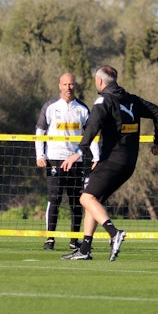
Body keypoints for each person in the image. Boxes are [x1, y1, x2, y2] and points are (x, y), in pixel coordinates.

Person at [58, 65, 158, 261]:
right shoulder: (132, 100)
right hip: (129, 163)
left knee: (85, 198)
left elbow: (92, 127)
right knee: (93, 199)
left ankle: (114, 233)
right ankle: (84, 249)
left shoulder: (103, 101)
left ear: (100, 82)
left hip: (111, 161)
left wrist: (78, 152)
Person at [35, 72, 100, 251]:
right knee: (54, 198)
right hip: (54, 160)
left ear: (75, 86)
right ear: (59, 86)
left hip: (75, 160)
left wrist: (96, 157)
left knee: (77, 201)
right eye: (65, 84)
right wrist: (40, 155)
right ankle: (50, 239)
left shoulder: (82, 109)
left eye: (71, 84)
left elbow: (91, 135)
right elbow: (40, 131)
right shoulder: (50, 106)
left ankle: (74, 239)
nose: (68, 88)